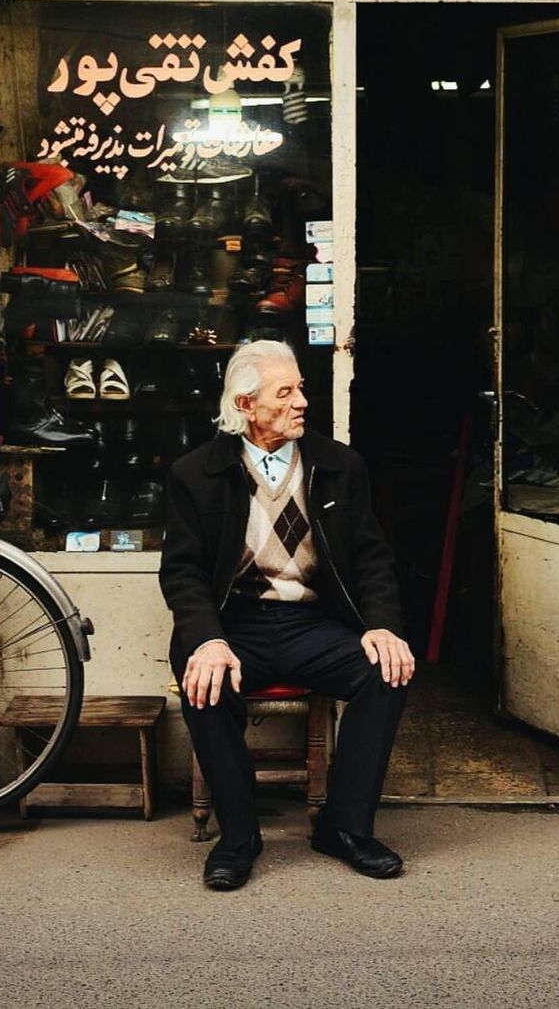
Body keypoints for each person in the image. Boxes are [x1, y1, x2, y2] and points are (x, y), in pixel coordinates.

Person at [159, 339, 414, 891]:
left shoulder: (339, 466)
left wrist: (383, 626)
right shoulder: (195, 474)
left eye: (301, 388)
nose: (302, 401)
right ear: (247, 405)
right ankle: (239, 838)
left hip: (312, 623)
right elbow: (182, 573)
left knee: (385, 672)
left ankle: (344, 828)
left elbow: (373, 559)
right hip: (234, 624)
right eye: (286, 392)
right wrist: (206, 639)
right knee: (204, 679)